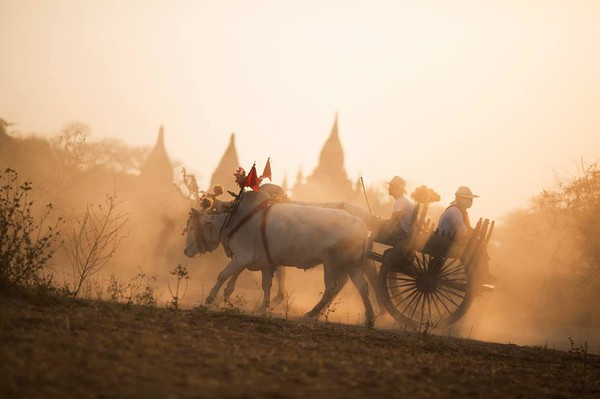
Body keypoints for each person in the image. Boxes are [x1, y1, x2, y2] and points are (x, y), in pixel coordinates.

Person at [437, 186, 497, 284]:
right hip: (447, 241)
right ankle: (481, 274)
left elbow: (464, 230)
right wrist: (477, 239)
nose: (471, 202)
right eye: (469, 199)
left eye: (471, 200)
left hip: (450, 239)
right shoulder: (454, 211)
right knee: (480, 246)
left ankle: (482, 273)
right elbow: (462, 231)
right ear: (459, 198)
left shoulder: (460, 211)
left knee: (480, 244)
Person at [373, 176, 414, 245]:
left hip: (404, 232)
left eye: (391, 187)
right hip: (407, 230)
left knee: (376, 230)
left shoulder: (399, 201)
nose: (389, 188)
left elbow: (393, 221)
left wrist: (378, 222)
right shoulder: (402, 200)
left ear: (397, 189)